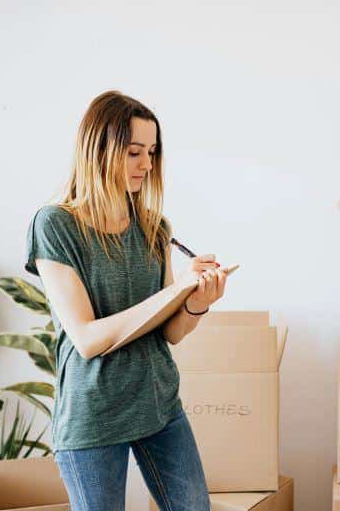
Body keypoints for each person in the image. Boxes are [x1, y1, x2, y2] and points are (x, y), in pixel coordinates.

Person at [24, 90, 227, 511]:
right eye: (134, 152)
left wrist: (197, 301)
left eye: (151, 152)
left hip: (158, 402)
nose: (147, 165)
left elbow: (169, 332)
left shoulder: (154, 227)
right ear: (99, 149)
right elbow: (87, 339)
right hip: (93, 415)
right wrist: (175, 291)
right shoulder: (55, 225)